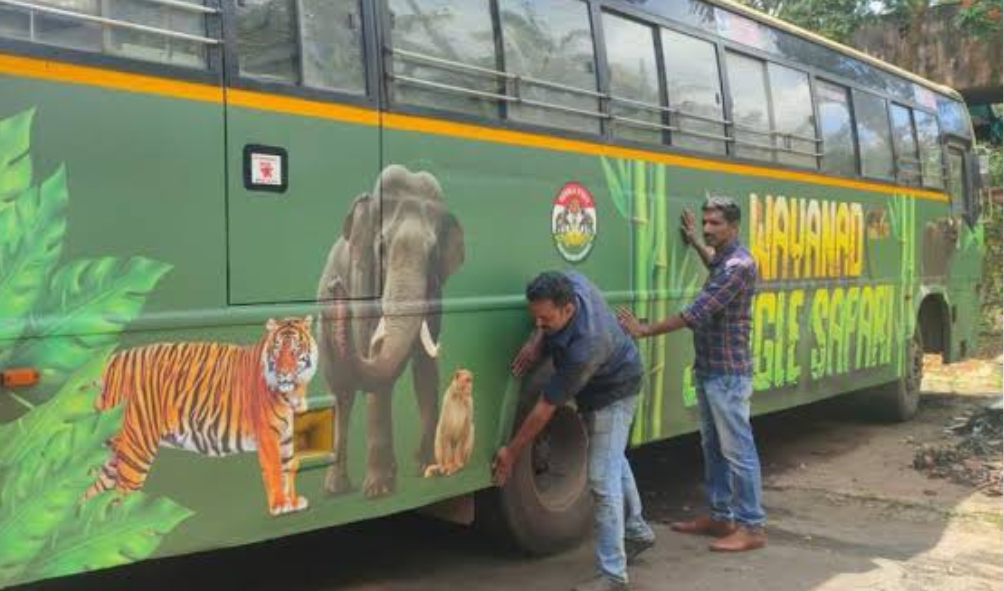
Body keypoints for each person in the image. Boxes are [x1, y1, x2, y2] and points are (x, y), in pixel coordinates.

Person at [617, 196, 767, 552]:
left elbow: (695, 313)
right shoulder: (726, 260)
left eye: (715, 224)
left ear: (734, 226)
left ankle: (752, 526)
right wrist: (696, 241)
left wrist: (644, 330)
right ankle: (721, 516)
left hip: (727, 375)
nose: (708, 228)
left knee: (737, 450)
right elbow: (714, 262)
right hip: (710, 369)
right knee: (714, 448)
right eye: (705, 223)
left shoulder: (739, 266)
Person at [493, 271, 655, 591]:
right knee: (613, 459)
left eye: (546, 320)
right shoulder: (572, 283)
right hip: (603, 385)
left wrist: (511, 453)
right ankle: (636, 530)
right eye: (535, 318)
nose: (538, 323)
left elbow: (544, 409)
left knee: (602, 479)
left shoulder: (585, 348)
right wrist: (536, 340)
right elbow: (546, 319)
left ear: (568, 309)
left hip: (615, 394)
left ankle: (614, 576)